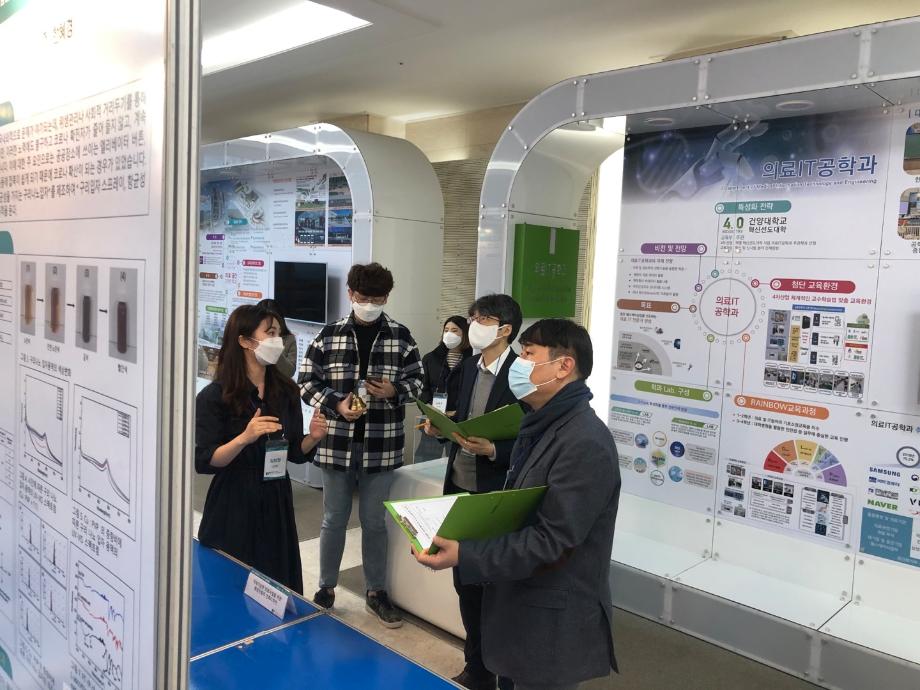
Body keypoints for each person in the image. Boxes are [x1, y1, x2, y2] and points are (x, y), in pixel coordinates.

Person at [415, 319, 620, 690]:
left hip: (549, 625)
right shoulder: (542, 424)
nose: (519, 364)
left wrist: (466, 554)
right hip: (519, 608)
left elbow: (552, 540)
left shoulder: (584, 442)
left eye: (528, 354)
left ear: (564, 366)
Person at [299, 262, 423, 627]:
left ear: (387, 297)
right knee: (333, 519)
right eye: (364, 297)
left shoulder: (401, 336)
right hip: (336, 442)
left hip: (382, 444)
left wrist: (395, 390)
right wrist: (335, 403)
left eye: (378, 298)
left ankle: (376, 591)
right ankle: (326, 587)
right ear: (351, 294)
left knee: (374, 522)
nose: (370, 304)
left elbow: (419, 383)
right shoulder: (329, 335)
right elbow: (305, 381)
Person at [423, 294, 524, 690]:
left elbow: (533, 440)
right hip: (459, 486)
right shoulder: (467, 367)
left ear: (505, 330)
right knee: (465, 583)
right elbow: (460, 420)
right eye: (472, 318)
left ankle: (507, 673)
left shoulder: (522, 374)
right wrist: (440, 428)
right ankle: (477, 669)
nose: (473, 325)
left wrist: (496, 449)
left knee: (499, 590)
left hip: (497, 494)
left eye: (483, 319)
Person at [195, 304, 329, 593]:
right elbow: (206, 460)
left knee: (277, 585)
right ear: (245, 341)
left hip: (276, 497)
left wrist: (314, 437)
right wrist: (244, 438)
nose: (277, 341)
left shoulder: (287, 392)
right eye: (270, 333)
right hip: (234, 500)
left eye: (279, 334)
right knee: (229, 588)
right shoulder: (215, 397)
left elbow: (294, 451)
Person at [415, 315, 473, 462]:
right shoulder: (430, 358)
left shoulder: (473, 360)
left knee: (453, 461)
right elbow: (422, 389)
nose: (449, 334)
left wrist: (456, 412)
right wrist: (430, 410)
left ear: (465, 333)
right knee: (425, 462)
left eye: (455, 330)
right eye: (446, 330)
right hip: (432, 421)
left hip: (458, 423)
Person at [256, 298, 298, 379]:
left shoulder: (289, 339)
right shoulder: (252, 340)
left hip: (279, 384)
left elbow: (290, 372)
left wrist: (276, 350)